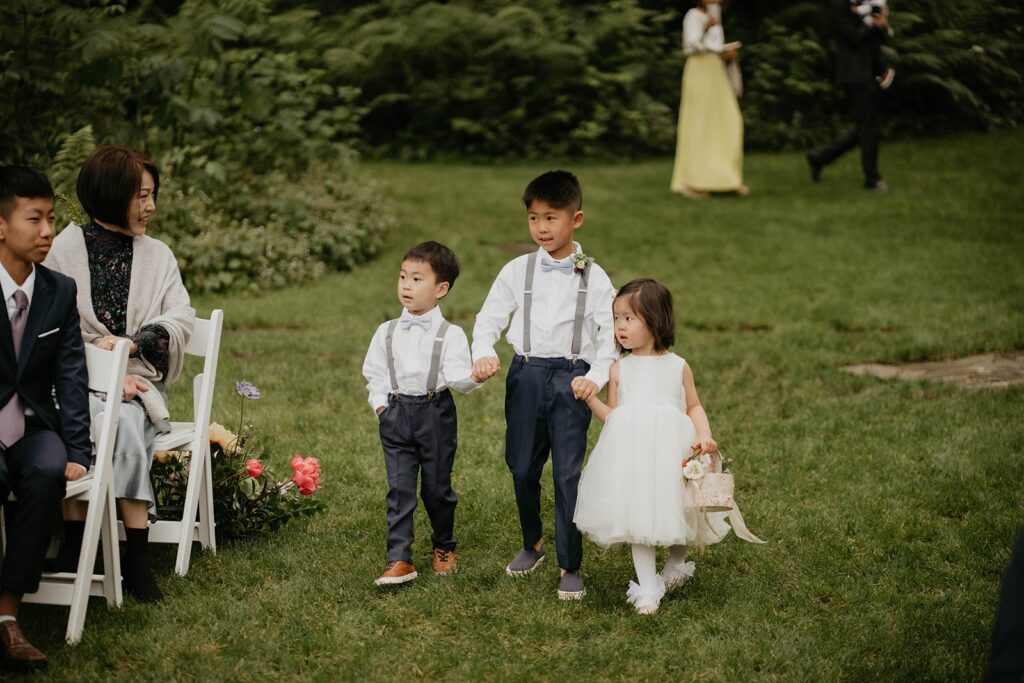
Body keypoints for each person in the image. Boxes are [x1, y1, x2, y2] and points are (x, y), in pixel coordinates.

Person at [44, 145, 195, 602]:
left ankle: (136, 557)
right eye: (141, 196)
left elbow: (182, 318)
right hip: (73, 381)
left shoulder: (158, 256)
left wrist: (132, 345)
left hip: (137, 383)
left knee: (125, 422)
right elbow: (51, 336)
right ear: (112, 195)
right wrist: (101, 368)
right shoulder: (61, 252)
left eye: (152, 195)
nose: (151, 206)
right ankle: (75, 548)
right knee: (79, 421)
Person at [472, 170, 616, 600]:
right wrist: (483, 349)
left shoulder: (595, 277)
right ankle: (532, 542)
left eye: (551, 218)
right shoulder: (518, 270)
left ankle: (570, 564)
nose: (541, 228)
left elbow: (609, 338)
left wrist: (594, 378)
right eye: (534, 218)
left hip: (573, 379)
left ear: (577, 219)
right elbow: (489, 318)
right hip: (527, 374)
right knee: (521, 465)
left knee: (568, 473)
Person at [573, 278, 731, 615]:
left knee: (679, 509)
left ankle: (676, 565)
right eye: (616, 318)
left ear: (655, 321)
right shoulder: (619, 369)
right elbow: (614, 417)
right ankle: (646, 588)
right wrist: (590, 400)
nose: (620, 327)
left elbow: (693, 406)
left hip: (672, 449)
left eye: (629, 318)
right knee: (639, 516)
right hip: (633, 454)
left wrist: (704, 434)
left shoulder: (678, 366)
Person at [0, 166, 91, 670]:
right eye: (33, 219)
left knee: (45, 472)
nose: (47, 231)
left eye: (51, 219)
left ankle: (9, 617)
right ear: (1, 225)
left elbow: (71, 376)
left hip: (35, 428)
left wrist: (79, 451)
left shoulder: (58, 290)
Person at [362, 241, 483, 586]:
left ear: (441, 289)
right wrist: (381, 406)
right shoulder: (386, 331)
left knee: (436, 489)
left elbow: (459, 378)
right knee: (399, 488)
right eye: (402, 276)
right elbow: (375, 372)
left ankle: (444, 545)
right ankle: (399, 558)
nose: (406, 285)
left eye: (417, 279)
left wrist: (476, 375)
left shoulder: (452, 334)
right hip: (396, 413)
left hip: (435, 414)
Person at [807, 0, 892, 191]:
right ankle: (872, 178)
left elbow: (878, 38)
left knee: (864, 127)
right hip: (854, 73)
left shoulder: (865, 4)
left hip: (872, 71)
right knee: (868, 127)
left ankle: (819, 157)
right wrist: (871, 23)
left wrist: (883, 27)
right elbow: (853, 37)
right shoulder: (838, 5)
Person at [670, 0, 748, 199]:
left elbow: (713, 47)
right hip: (699, 70)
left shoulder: (717, 15)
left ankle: (727, 179)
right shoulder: (693, 15)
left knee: (727, 122)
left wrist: (726, 54)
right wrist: (705, 29)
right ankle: (693, 182)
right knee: (700, 124)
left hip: (716, 70)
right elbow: (690, 47)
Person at [853, 0, 896, 89]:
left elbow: (875, 8)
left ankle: (884, 70)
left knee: (875, 49)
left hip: (873, 19)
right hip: (869, 21)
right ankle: (880, 71)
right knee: (873, 50)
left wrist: (858, 10)